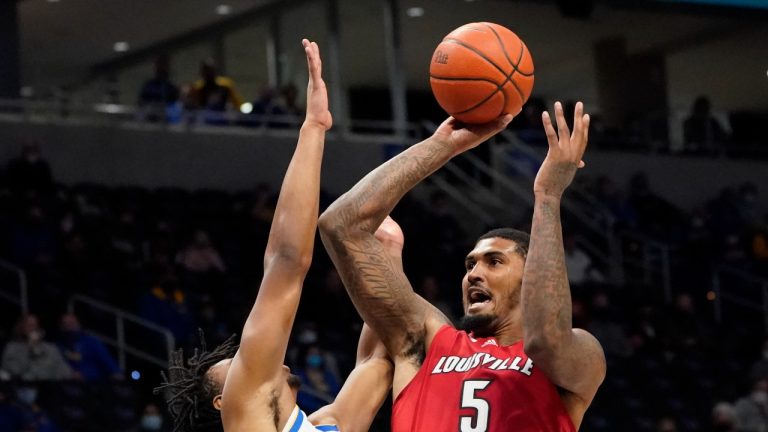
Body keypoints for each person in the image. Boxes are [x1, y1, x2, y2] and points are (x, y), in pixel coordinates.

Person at [319, 101, 605, 430]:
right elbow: (341, 225)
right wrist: (443, 146)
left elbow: (545, 340)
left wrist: (548, 195)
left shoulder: (579, 354)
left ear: (533, 277)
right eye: (470, 264)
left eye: (494, 262)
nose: (474, 274)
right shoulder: (428, 340)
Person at [155, 39, 393, 432]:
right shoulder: (247, 421)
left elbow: (378, 361)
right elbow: (286, 260)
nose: (256, 355)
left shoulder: (329, 424)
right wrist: (313, 129)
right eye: (238, 365)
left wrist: (387, 259)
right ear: (224, 401)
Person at [1, 314, 73, 381]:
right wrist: (30, 349)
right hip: (24, 387)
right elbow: (14, 371)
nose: (33, 328)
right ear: (21, 328)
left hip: (49, 386)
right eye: (29, 325)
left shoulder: (51, 348)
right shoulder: (12, 348)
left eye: (35, 325)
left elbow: (65, 371)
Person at [56, 312, 122, 381]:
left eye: (72, 323)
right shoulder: (57, 347)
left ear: (79, 324)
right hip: (67, 383)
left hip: (94, 383)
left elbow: (111, 366)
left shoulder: (92, 342)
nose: (69, 327)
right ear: (61, 327)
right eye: (66, 324)